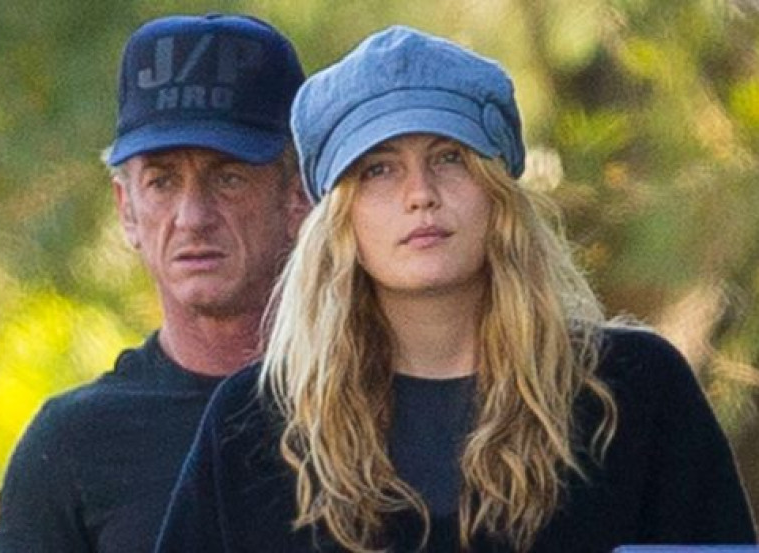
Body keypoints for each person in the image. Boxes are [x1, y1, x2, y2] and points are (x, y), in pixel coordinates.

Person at [154, 26, 756, 553]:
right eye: (379, 169)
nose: (421, 194)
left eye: (449, 158)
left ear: (499, 196)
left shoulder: (632, 391)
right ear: (339, 219)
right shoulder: (256, 425)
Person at [0, 13, 307, 553]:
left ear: (298, 196)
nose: (192, 217)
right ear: (127, 209)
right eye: (162, 182)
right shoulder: (75, 445)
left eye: (228, 177)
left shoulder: (382, 410)